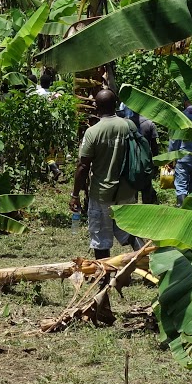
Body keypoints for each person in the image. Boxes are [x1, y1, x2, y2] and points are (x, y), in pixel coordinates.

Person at [71, 89, 141, 259]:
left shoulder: (93, 132)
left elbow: (83, 166)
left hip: (101, 193)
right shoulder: (129, 126)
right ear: (115, 105)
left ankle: (104, 275)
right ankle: (146, 262)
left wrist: (75, 194)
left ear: (96, 107)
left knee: (100, 238)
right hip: (126, 190)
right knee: (131, 231)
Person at [168, 104, 192, 204]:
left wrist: (170, 157)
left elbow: (174, 140)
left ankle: (182, 208)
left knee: (181, 186)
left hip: (183, 158)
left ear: (185, 102)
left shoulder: (180, 116)